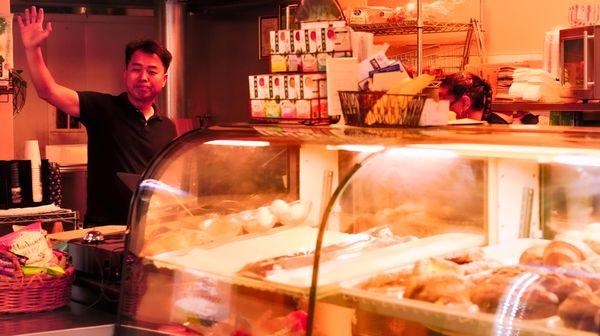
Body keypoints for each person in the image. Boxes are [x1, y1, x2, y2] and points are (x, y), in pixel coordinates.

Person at [17, 6, 177, 227]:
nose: (143, 77)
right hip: (104, 231)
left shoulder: (167, 127)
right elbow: (48, 91)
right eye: (136, 69)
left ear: (164, 79)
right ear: (125, 73)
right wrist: (33, 49)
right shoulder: (102, 108)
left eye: (151, 71)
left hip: (148, 229)